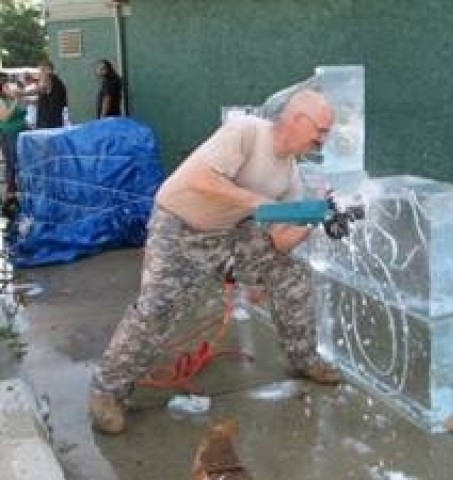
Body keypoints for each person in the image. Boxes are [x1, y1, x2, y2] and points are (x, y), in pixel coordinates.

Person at [89, 89, 341, 435]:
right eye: (321, 130)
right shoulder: (246, 132)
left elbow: (281, 241)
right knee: (158, 309)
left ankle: (304, 359)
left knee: (290, 274)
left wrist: (318, 220)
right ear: (297, 120)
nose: (323, 139)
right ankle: (108, 391)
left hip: (228, 232)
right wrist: (259, 204)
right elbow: (199, 179)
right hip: (178, 226)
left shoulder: (289, 174)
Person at [0, 74, 27, 213]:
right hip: (8, 135)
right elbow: (5, 117)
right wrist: (17, 100)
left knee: (19, 163)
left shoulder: (11, 98)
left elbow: (24, 112)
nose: (8, 87)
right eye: (5, 85)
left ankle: (17, 191)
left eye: (8, 85)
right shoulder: (2, 101)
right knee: (12, 163)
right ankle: (10, 194)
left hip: (21, 134)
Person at [33, 59, 68, 129]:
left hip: (49, 120)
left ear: (49, 70)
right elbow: (42, 98)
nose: (40, 73)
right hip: (52, 119)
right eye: (40, 70)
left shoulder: (49, 78)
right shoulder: (56, 80)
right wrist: (25, 99)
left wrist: (22, 93)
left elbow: (40, 89)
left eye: (42, 70)